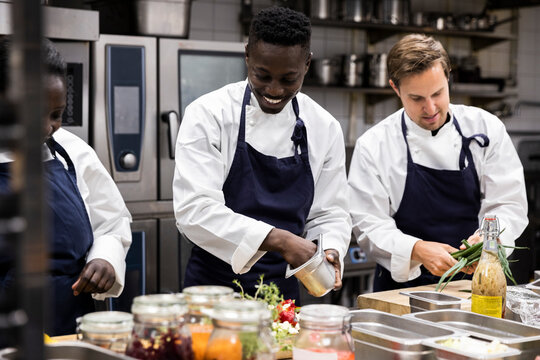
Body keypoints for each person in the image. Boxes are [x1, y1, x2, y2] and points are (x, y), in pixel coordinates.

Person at [172, 6, 351, 301]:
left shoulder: (323, 126)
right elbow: (195, 210)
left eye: (288, 79)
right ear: (247, 55)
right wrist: (279, 240)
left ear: (307, 64)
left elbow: (329, 212)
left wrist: (329, 249)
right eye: (262, 74)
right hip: (214, 292)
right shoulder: (209, 115)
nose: (273, 89)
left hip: (283, 295)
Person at [348, 34, 528, 291]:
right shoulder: (374, 146)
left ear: (448, 77)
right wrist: (417, 250)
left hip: (477, 283)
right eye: (416, 98)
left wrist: (488, 240)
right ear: (395, 88)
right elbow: (369, 225)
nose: (430, 108)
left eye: (438, 93)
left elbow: (508, 203)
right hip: (403, 289)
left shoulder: (487, 128)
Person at [0, 37, 132, 335]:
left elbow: (112, 223)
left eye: (56, 115)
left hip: (68, 335)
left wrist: (105, 258)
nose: (47, 128)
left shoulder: (72, 151)